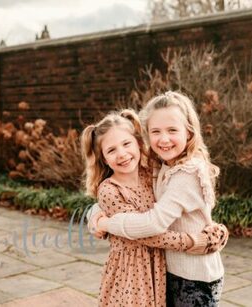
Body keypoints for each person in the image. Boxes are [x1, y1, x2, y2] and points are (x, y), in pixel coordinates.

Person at [81, 109, 228, 306]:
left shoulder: (151, 173)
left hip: (158, 265)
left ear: (139, 143)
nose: (122, 154)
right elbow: (145, 233)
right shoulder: (110, 189)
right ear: (103, 158)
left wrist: (214, 229)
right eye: (111, 150)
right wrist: (193, 241)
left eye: (126, 144)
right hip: (131, 270)